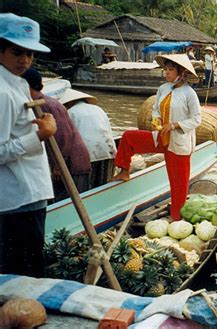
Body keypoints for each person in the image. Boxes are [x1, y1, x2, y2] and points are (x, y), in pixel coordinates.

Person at [111, 54, 201, 220]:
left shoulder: (189, 94)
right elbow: (156, 109)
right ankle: (124, 170)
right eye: (165, 69)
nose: (166, 73)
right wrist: (156, 119)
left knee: (178, 186)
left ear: (181, 72)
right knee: (129, 136)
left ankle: (177, 219)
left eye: (171, 70)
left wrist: (173, 126)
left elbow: (196, 119)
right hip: (160, 137)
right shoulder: (163, 89)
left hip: (178, 142)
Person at [0, 13, 56, 277]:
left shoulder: (18, 84)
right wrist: (39, 136)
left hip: (28, 195)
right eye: (16, 52)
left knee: (27, 272)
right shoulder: (2, 92)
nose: (24, 60)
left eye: (29, 54)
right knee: (24, 277)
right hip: (18, 198)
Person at [22, 68, 91, 202]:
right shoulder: (38, 103)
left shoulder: (47, 105)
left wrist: (59, 165)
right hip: (62, 162)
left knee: (68, 204)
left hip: (70, 163)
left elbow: (63, 136)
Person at [60, 89, 116, 188]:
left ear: (69, 102)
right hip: (107, 150)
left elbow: (67, 138)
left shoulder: (70, 112)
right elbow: (108, 130)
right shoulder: (98, 109)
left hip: (86, 153)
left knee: (85, 186)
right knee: (102, 183)